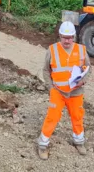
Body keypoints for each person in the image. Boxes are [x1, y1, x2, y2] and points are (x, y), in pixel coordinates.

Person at [37, 21, 90, 160]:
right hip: (58, 91)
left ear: (74, 36)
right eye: (64, 37)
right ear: (60, 36)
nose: (67, 40)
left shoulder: (81, 50)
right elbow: (46, 70)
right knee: (52, 116)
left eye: (70, 37)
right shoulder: (52, 50)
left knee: (77, 116)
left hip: (76, 92)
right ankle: (43, 144)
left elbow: (88, 68)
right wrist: (50, 88)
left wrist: (83, 80)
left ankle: (79, 141)